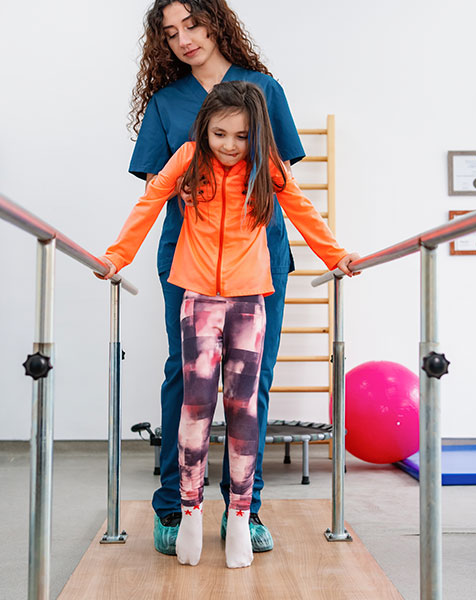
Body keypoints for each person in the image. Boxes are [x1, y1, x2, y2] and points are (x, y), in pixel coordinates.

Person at [101, 81, 358, 567]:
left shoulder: (266, 168)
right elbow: (149, 203)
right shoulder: (189, 157)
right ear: (205, 128)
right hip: (197, 300)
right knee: (195, 412)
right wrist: (118, 257)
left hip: (248, 303)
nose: (228, 145)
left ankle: (239, 517)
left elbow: (302, 209)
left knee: (243, 413)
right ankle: (192, 511)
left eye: (240, 136)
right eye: (219, 133)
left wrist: (337, 255)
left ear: (255, 135)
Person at [128, 0, 304, 555]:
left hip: (259, 258)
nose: (185, 39)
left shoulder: (262, 88)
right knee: (184, 380)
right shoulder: (165, 102)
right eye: (171, 32)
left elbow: (278, 178)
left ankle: (242, 511)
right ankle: (173, 507)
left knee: (253, 385)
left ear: (216, 22)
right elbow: (156, 183)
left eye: (194, 24)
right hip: (189, 259)